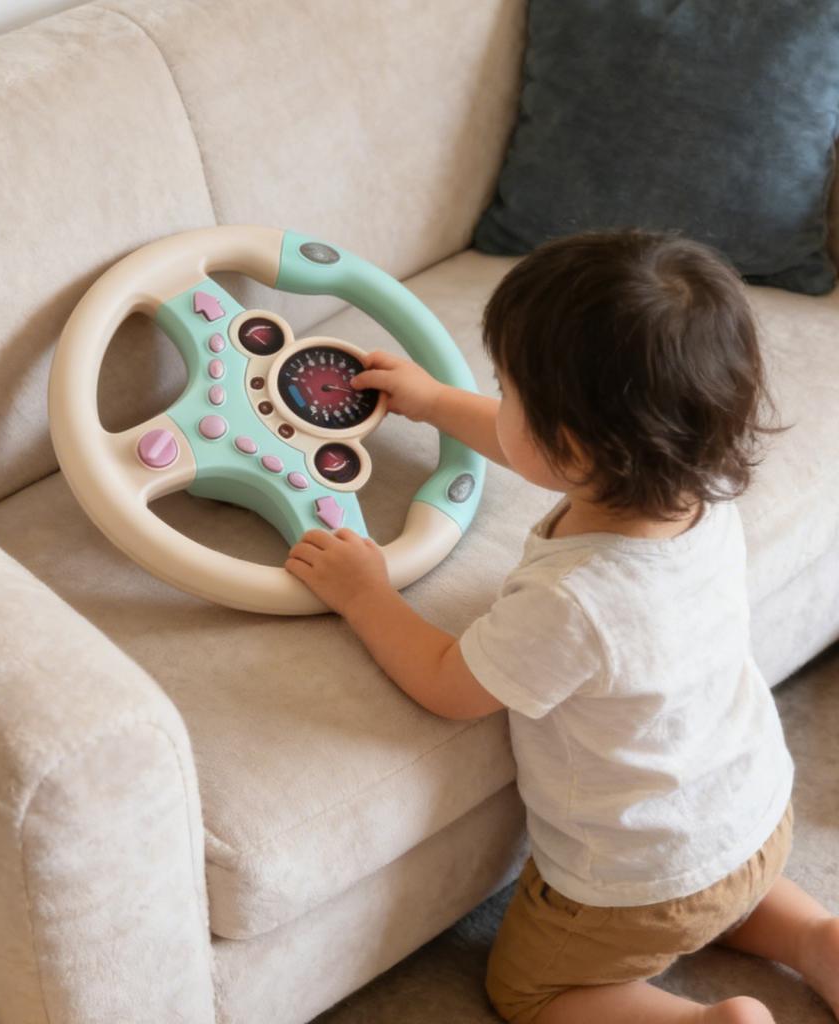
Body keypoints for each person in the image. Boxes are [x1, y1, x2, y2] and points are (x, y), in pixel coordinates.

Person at [283, 230, 839, 1024]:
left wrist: (366, 594)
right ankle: (820, 938)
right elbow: (549, 453)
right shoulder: (697, 484)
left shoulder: (574, 602)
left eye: (506, 392)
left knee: (529, 992)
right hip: (754, 814)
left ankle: (705, 1021)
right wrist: (437, 403)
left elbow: (451, 686)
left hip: (631, 886)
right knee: (720, 885)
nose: (498, 401)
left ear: (573, 446)